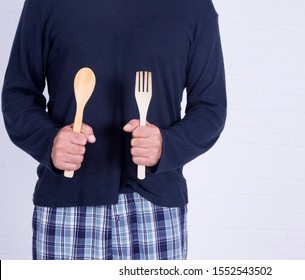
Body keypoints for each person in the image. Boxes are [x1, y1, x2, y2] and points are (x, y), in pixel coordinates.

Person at [1, 0, 226, 260]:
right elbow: (18, 95)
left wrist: (167, 145)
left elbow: (211, 108)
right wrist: (49, 142)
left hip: (156, 208)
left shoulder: (194, 6)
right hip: (67, 203)